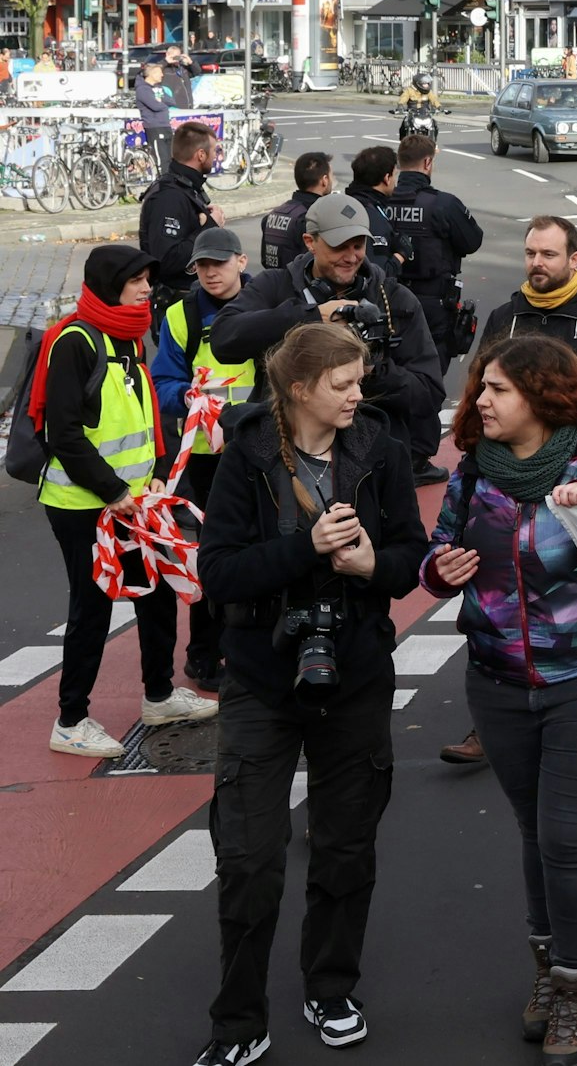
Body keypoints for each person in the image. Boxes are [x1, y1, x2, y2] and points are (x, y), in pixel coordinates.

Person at [190, 321, 425, 1066]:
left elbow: (408, 558)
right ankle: (238, 1019)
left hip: (353, 671)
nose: (360, 393)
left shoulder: (378, 450)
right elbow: (218, 574)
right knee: (250, 857)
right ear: (300, 389)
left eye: (360, 379)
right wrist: (306, 547)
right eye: (344, 383)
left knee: (346, 847)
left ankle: (330, 986)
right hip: (262, 675)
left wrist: (365, 566)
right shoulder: (248, 456)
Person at [419, 335, 577, 1065]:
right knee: (533, 830)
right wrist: (441, 572)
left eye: (496, 389)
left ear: (542, 395)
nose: (480, 401)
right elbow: (437, 553)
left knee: (568, 833)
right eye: (480, 388)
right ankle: (549, 972)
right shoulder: (476, 469)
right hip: (496, 679)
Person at [25, 247, 212, 757]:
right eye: (136, 280)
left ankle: (158, 695)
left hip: (130, 499)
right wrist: (113, 493)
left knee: (155, 591)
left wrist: (152, 477)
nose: (147, 288)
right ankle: (70, 720)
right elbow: (63, 433)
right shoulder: (76, 341)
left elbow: (141, 419)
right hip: (83, 503)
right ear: (110, 284)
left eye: (149, 278)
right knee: (92, 604)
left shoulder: (126, 334)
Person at [211, 192, 446, 463]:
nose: (351, 257)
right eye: (339, 246)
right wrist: (307, 317)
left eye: (358, 246)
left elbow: (429, 394)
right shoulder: (276, 286)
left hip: (370, 461)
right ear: (310, 242)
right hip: (283, 456)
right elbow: (223, 339)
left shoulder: (394, 299)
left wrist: (372, 369)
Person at [153, 228, 256, 694]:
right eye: (202, 266)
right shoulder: (181, 316)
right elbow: (163, 385)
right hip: (205, 458)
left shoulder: (265, 303)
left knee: (264, 548)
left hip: (261, 447)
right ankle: (204, 653)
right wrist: (190, 398)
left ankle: (252, 645)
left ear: (241, 260)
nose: (211, 272)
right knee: (215, 556)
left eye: (219, 262)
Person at [480, 216, 577, 407]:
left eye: (548, 255)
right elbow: (479, 385)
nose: (536, 262)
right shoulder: (502, 317)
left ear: (573, 260)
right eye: (530, 253)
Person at [388, 133, 484, 366]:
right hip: (433, 303)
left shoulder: (381, 203)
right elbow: (472, 241)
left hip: (388, 298)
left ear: (400, 163)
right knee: (430, 372)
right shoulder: (443, 204)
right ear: (428, 162)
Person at [138, 121, 224, 313]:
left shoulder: (186, 187)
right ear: (201, 155)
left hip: (190, 300)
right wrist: (210, 226)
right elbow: (167, 259)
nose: (215, 156)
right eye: (214, 150)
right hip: (175, 304)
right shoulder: (169, 196)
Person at [262, 151, 333, 272]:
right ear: (324, 180)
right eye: (332, 175)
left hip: (272, 284)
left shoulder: (273, 214)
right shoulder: (313, 218)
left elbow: (265, 260)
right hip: (299, 287)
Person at [344, 146, 405, 284]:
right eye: (394, 175)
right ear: (387, 178)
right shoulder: (372, 217)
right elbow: (379, 275)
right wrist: (401, 254)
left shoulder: (347, 204)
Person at [136, 62, 173, 170]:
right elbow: (156, 106)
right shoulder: (142, 89)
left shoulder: (158, 88)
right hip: (155, 127)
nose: (162, 75)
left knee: (170, 158)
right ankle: (163, 184)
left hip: (166, 125)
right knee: (162, 159)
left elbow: (171, 101)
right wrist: (162, 103)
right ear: (152, 74)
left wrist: (161, 101)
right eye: (159, 72)